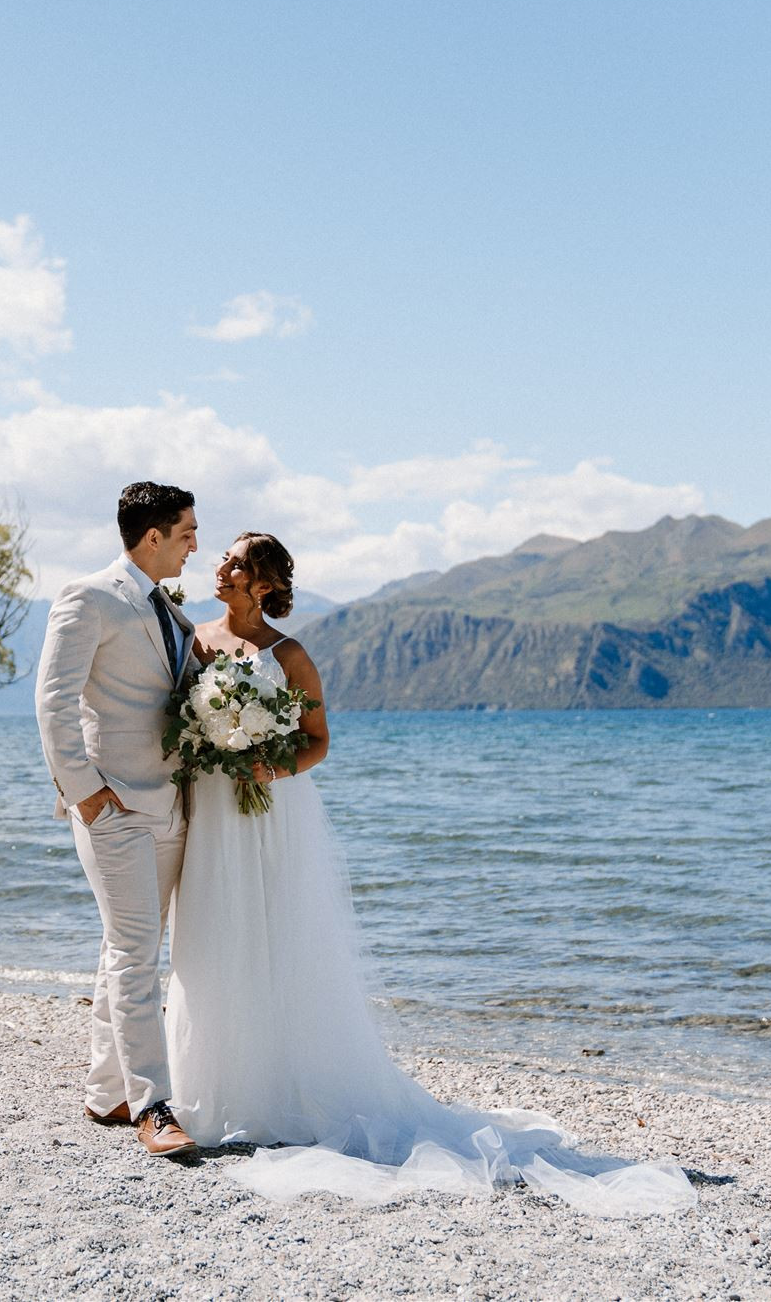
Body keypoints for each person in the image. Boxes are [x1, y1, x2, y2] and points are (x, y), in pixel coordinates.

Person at [165, 531, 697, 1215]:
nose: (221, 566)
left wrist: (270, 762)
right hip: (213, 808)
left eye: (235, 561)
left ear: (262, 581)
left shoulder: (289, 656)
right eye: (223, 559)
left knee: (276, 938)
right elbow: (180, 718)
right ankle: (210, 1086)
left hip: (271, 816)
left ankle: (278, 1090)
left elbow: (318, 741)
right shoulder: (197, 640)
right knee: (214, 932)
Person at [35, 482, 201, 1157]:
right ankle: (153, 1105)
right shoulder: (89, 595)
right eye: (187, 530)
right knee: (137, 952)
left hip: (171, 804)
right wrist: (86, 792)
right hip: (116, 807)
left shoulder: (171, 610)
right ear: (152, 536)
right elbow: (52, 700)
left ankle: (106, 1092)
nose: (195, 543)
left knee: (123, 947)